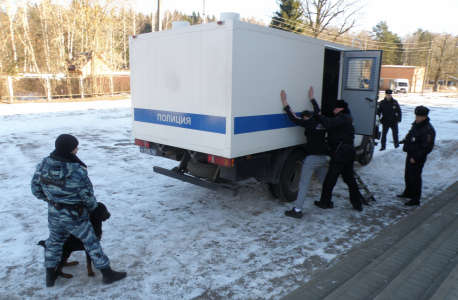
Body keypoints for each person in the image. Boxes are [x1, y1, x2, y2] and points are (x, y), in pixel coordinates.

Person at [31, 134, 127, 287]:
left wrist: (52, 200)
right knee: (91, 242)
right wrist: (92, 209)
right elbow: (88, 196)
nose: (77, 149)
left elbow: (36, 190)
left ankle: (50, 277)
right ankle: (108, 274)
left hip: (54, 214)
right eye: (75, 146)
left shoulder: (44, 164)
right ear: (69, 149)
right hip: (75, 215)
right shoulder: (76, 170)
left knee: (54, 242)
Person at [280, 87, 327, 219]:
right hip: (322, 158)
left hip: (312, 159)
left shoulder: (309, 122)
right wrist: (312, 98)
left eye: (304, 119)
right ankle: (327, 201)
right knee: (325, 181)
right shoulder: (320, 120)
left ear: (306, 117)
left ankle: (298, 209)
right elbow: (318, 110)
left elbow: (294, 118)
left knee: (304, 184)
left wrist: (285, 103)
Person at [312, 99, 363, 212]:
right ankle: (357, 204)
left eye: (335, 109)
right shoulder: (347, 117)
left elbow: (331, 124)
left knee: (330, 179)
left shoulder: (343, 118)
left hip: (342, 154)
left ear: (340, 108)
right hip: (348, 152)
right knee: (350, 179)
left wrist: (318, 116)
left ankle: (324, 202)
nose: (334, 111)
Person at [397, 106, 435, 206]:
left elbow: (426, 147)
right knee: (408, 175)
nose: (416, 118)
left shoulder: (428, 130)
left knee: (414, 178)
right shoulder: (417, 125)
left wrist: (416, 158)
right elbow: (412, 136)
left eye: (418, 117)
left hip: (417, 156)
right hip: (411, 153)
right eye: (416, 116)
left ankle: (415, 199)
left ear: (424, 117)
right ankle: (408, 192)